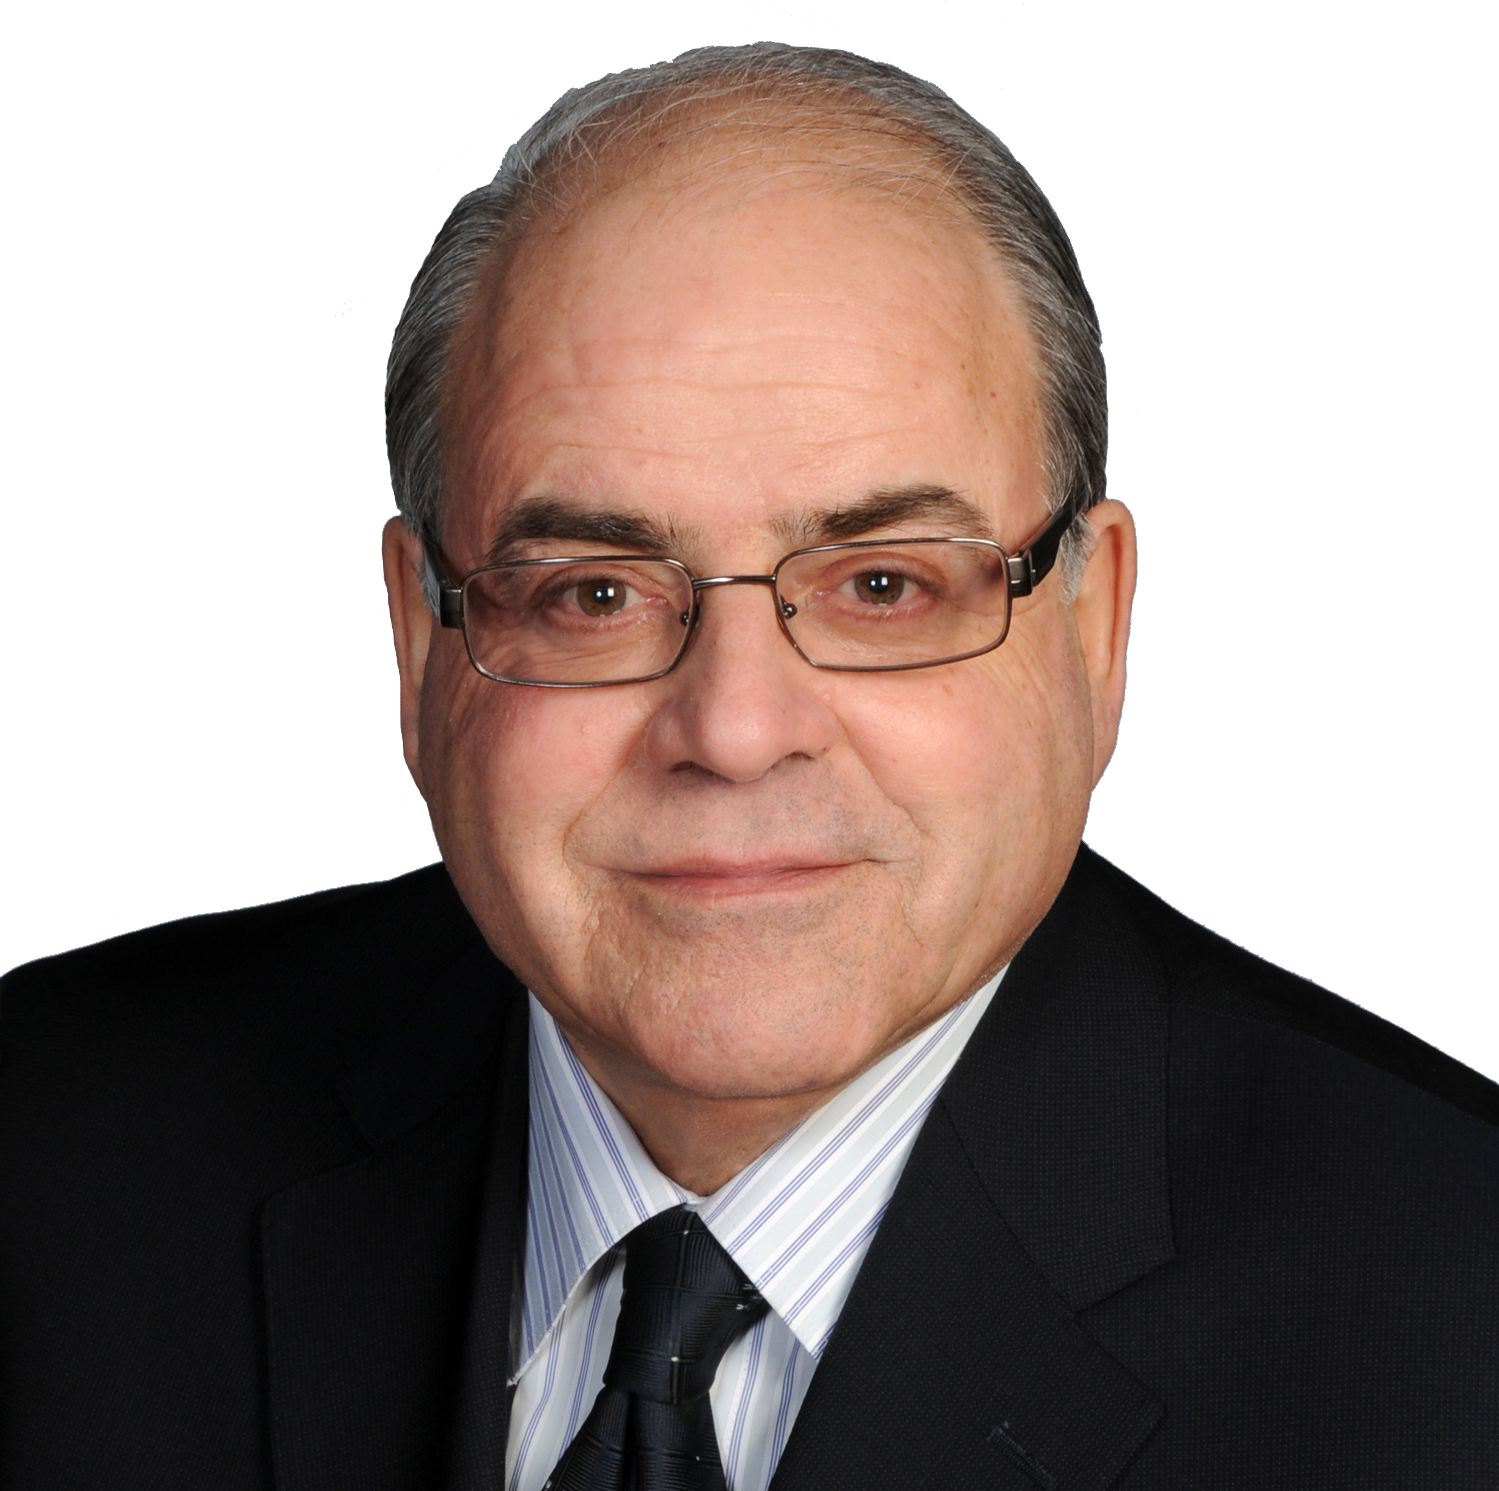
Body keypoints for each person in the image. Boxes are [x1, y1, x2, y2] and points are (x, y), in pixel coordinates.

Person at [2, 42, 1493, 1491]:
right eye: (594, 593)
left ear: (1096, 628)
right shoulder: (44, 1151)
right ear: (418, 639)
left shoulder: (1458, 1316)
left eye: (882, 586)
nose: (730, 730)